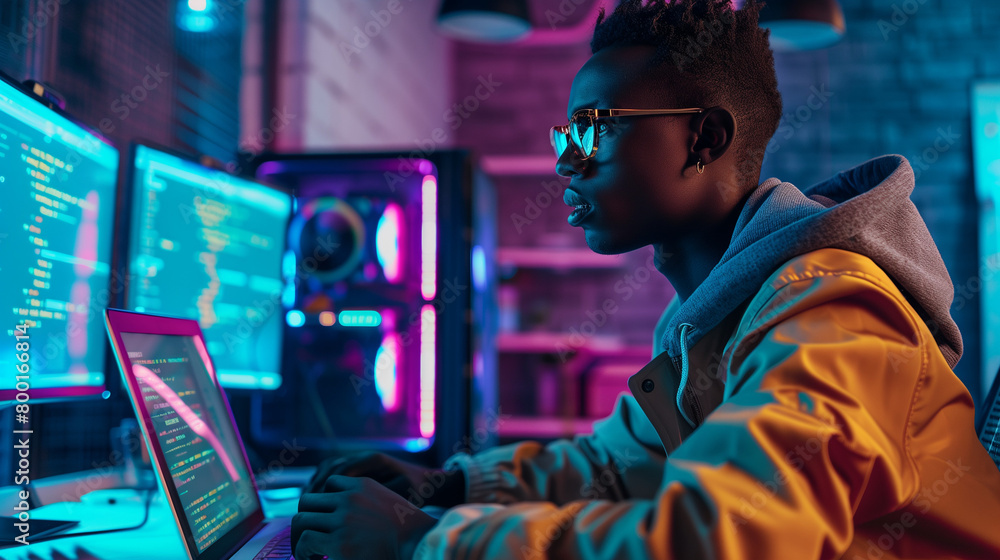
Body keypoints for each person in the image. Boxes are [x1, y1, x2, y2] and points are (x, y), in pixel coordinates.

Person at [290, 1, 1000, 558]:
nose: (567, 163)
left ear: (704, 141)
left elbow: (725, 539)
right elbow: (614, 463)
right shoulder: (716, 316)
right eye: (563, 136)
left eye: (594, 128)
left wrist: (421, 542)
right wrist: (448, 483)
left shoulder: (835, 313)